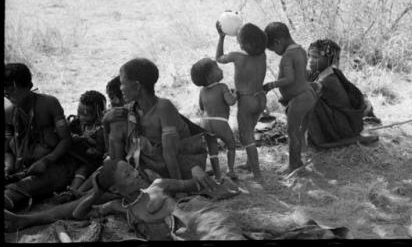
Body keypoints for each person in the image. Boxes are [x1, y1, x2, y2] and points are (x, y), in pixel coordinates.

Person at [5, 159, 243, 240]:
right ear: (116, 189)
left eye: (132, 169)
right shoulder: (118, 206)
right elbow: (79, 214)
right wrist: (96, 193)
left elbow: (192, 186)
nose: (136, 173)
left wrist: (198, 173)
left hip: (197, 220)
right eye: (127, 174)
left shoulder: (158, 185)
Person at [109, 58, 221, 189]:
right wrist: (106, 120)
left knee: (160, 185)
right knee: (116, 124)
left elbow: (170, 154)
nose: (121, 88)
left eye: (123, 83)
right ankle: (117, 181)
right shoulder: (132, 110)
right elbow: (115, 143)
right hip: (154, 168)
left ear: (137, 86)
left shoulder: (163, 107)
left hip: (178, 167)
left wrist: (179, 188)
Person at [4, 63, 76, 211]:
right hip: (22, 170)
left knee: (13, 192)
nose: (7, 93)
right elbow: (8, 150)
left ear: (28, 85)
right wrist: (8, 167)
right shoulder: (8, 113)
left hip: (55, 167)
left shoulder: (49, 103)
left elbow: (66, 140)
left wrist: (46, 160)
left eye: (12, 89)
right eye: (5, 89)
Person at [215, 21, 267, 180]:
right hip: (261, 98)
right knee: (250, 131)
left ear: (244, 43)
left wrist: (221, 37)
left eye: (238, 35)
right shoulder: (262, 55)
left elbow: (218, 58)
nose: (236, 35)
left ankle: (257, 174)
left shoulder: (236, 56)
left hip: (247, 100)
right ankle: (249, 164)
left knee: (246, 137)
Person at [263, 22, 317, 173]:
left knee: (292, 132)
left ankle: (294, 165)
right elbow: (302, 74)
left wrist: (271, 85)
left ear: (278, 42)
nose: (275, 52)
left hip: (299, 99)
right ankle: (301, 158)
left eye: (274, 49)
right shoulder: (300, 50)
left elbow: (290, 79)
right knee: (301, 131)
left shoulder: (287, 56)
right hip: (309, 95)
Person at [306, 39, 378, 148]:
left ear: (328, 60)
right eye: (309, 56)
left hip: (343, 127)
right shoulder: (327, 72)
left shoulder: (328, 80)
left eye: (315, 57)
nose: (310, 60)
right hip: (344, 122)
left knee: (307, 100)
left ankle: (321, 143)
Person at [54, 90, 107, 203]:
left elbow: (100, 152)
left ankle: (71, 192)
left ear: (98, 114)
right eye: (79, 112)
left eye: (85, 115)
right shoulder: (77, 122)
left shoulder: (100, 131)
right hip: (75, 157)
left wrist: (90, 148)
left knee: (82, 170)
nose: (81, 117)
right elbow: (66, 134)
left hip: (89, 161)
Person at [191, 58, 238, 180]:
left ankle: (217, 177)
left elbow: (201, 107)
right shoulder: (222, 87)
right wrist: (235, 94)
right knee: (231, 144)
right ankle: (231, 170)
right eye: (218, 68)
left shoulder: (202, 91)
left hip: (205, 122)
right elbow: (231, 102)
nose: (221, 70)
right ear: (211, 76)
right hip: (220, 122)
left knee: (212, 151)